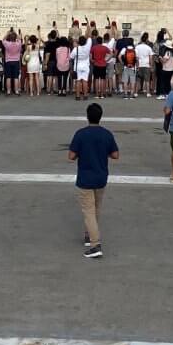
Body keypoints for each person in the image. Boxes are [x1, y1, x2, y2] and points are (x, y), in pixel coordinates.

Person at [68, 102, 119, 260]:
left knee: (88, 212)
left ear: (87, 116)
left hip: (85, 178)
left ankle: (95, 244)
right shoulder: (106, 134)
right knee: (96, 208)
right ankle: (89, 234)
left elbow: (71, 156)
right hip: (101, 177)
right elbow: (115, 154)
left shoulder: (81, 134)